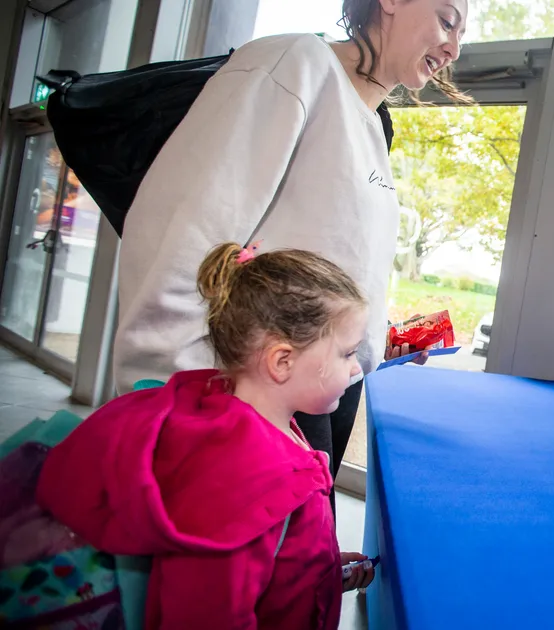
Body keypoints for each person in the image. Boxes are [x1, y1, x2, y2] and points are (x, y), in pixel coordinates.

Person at [111, 0, 471, 495]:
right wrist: (167, 406)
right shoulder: (294, 64)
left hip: (324, 396)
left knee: (290, 561)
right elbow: (182, 234)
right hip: (251, 396)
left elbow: (323, 264)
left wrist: (375, 341)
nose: (454, 47)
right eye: (447, 20)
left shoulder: (370, 124)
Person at [38, 243, 376, 628]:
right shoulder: (247, 478)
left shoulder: (254, 424)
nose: (355, 369)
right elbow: (205, 610)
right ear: (282, 362)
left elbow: (269, 550)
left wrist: (322, 569)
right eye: (346, 354)